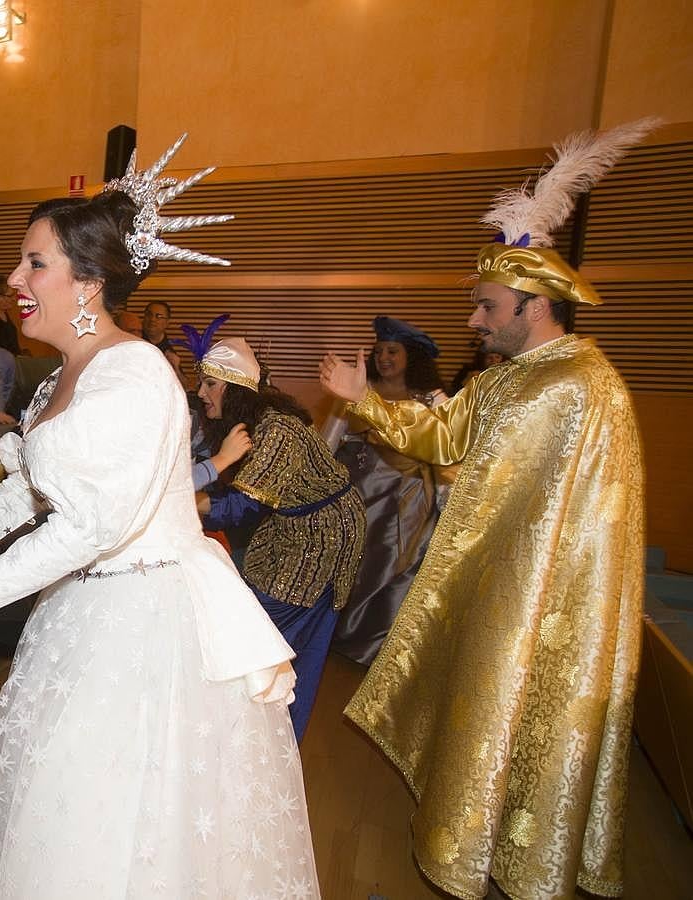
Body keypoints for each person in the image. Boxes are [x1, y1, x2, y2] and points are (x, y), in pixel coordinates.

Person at [0, 136, 317, 895]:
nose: (13, 279)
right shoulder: (58, 381)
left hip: (146, 623)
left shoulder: (135, 374)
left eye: (32, 264)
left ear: (86, 283)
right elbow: (28, 492)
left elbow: (90, 527)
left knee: (131, 824)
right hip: (81, 613)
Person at [318, 119, 655, 900]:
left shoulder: (577, 384)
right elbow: (445, 434)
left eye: (486, 306)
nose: (472, 321)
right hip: (505, 589)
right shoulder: (510, 378)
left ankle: (520, 866)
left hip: (545, 607)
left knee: (521, 728)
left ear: (535, 307)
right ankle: (484, 849)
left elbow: (499, 485)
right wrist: (366, 401)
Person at [195, 337, 365, 741]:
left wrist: (182, 499)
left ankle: (265, 740)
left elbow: (238, 509)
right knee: (272, 628)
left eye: (209, 384)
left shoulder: (277, 431)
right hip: (294, 528)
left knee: (272, 640)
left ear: (233, 389)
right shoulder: (254, 423)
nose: (200, 393)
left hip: (321, 538)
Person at [328, 316, 449, 666]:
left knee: (390, 567)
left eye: (392, 351)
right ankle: (338, 636)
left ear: (411, 356)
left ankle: (375, 647)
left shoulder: (432, 398)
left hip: (404, 500)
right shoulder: (360, 389)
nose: (384, 358)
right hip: (356, 492)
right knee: (350, 564)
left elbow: (448, 452)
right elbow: (332, 437)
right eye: (379, 351)